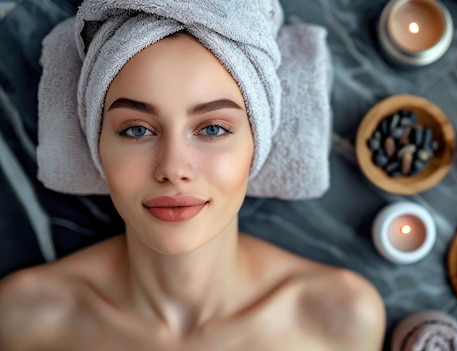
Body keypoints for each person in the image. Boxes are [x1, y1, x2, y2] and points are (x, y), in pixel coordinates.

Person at [0, 2, 386, 350]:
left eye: (213, 129)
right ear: (95, 144)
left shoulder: (340, 318)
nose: (173, 169)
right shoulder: (27, 319)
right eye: (136, 129)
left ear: (259, 143)